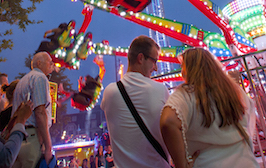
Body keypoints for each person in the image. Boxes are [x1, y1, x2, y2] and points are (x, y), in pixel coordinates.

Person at [160, 47, 257, 168]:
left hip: (208, 162)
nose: (182, 72)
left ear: (190, 69)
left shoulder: (186, 94)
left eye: (182, 67)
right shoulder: (233, 90)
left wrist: (182, 164)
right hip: (244, 160)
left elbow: (167, 122)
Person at [101, 36, 170, 168]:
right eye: (154, 61)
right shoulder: (160, 90)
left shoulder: (109, 93)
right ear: (140, 58)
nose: (155, 67)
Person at [13, 52, 55, 168]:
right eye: (49, 62)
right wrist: (48, 146)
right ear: (39, 63)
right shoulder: (40, 78)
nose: (52, 64)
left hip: (17, 139)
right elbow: (40, 112)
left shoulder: (22, 81)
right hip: (32, 137)